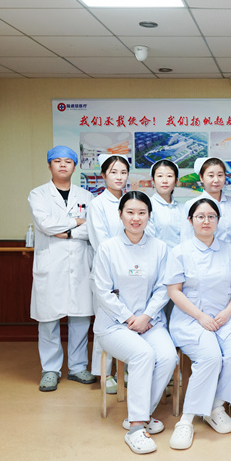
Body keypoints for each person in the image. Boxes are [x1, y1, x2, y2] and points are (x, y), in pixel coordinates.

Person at [92, 191, 178, 455]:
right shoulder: (108, 248)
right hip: (114, 324)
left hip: (150, 322)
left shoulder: (159, 248)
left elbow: (164, 287)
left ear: (149, 216)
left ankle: (139, 414)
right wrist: (129, 317)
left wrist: (146, 316)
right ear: (120, 215)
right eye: (130, 212)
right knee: (143, 354)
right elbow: (102, 291)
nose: (136, 218)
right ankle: (137, 428)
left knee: (168, 357)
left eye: (142, 212)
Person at [166, 198, 231, 450]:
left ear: (218, 221)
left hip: (226, 316)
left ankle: (215, 406)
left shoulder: (230, 250)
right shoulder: (179, 252)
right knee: (210, 357)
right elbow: (174, 290)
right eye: (200, 216)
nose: (206, 221)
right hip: (191, 318)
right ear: (190, 220)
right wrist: (200, 316)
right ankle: (186, 420)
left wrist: (229, 311)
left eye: (211, 216)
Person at [28, 145, 95, 392]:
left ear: (74, 166)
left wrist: (66, 232)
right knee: (48, 320)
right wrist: (77, 221)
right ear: (49, 166)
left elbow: (91, 229)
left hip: (80, 264)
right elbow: (45, 224)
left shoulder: (87, 197)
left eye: (68, 161)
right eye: (57, 161)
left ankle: (78, 367)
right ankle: (50, 369)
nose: (63, 165)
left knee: (80, 319)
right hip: (51, 265)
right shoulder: (37, 195)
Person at [87, 153, 130, 393]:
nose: (119, 177)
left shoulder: (129, 201)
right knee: (105, 322)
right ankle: (104, 373)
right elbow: (100, 242)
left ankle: (127, 370)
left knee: (128, 322)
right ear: (104, 175)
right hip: (107, 272)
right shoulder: (97, 204)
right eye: (114, 172)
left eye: (123, 172)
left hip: (130, 273)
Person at [181, 157, 231, 245]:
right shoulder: (191, 204)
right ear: (201, 177)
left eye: (220, 175)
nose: (216, 180)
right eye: (211, 175)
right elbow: (186, 238)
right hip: (202, 253)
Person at [146, 159, 184, 249]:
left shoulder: (183, 208)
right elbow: (148, 240)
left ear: (176, 180)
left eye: (169, 176)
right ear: (153, 180)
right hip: (157, 256)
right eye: (160, 176)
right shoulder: (147, 207)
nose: (164, 181)